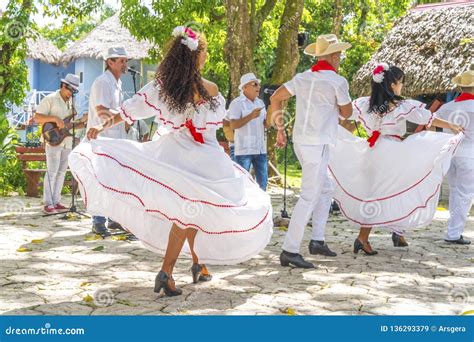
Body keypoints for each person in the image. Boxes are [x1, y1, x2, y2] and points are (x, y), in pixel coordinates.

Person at [69, 26, 273, 296]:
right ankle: (166, 272)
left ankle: (197, 264)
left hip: (174, 153)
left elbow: (128, 112)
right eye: (205, 53)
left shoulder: (162, 88)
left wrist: (101, 126)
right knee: (189, 212)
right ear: (197, 57)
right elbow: (216, 128)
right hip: (205, 160)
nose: (207, 57)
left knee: (191, 210)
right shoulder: (210, 89)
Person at [332, 63, 464, 255]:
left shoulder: (364, 104)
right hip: (391, 151)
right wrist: (451, 125)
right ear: (393, 85)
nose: (402, 86)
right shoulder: (402, 106)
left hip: (370, 150)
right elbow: (428, 118)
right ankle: (363, 237)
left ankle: (397, 232)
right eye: (401, 82)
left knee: (380, 191)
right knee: (396, 189)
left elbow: (342, 112)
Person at [271, 34, 353, 268]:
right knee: (309, 195)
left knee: (326, 187)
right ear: (334, 55)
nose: (340, 58)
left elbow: (276, 98)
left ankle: (317, 239)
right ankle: (290, 249)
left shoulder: (303, 78)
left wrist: (280, 128)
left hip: (303, 141)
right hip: (317, 143)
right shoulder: (338, 82)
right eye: (339, 55)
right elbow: (347, 114)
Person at [86, 46, 128, 236]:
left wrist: (126, 118)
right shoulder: (103, 82)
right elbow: (102, 110)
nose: (125, 64)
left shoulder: (117, 83)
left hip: (115, 140)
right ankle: (98, 221)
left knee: (115, 180)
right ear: (110, 62)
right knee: (101, 180)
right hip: (102, 139)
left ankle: (114, 218)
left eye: (125, 60)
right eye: (121, 60)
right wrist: (127, 116)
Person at [34, 74, 84, 213]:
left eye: (74, 91)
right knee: (52, 171)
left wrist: (84, 122)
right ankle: (47, 203)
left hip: (66, 142)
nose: (71, 93)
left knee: (61, 172)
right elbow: (37, 118)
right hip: (52, 141)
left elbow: (69, 125)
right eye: (70, 90)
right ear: (63, 86)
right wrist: (55, 118)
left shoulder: (70, 103)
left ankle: (56, 201)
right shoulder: (50, 99)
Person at [436, 70, 473, 245]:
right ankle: (453, 232)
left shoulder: (446, 108)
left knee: (455, 192)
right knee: (465, 194)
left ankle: (453, 230)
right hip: (469, 155)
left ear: (460, 87)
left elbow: (432, 123)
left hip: (451, 154)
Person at [228, 73, 270, 190]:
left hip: (260, 149)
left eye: (259, 84)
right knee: (243, 184)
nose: (258, 87)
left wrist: (272, 114)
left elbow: (266, 125)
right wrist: (251, 116)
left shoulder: (260, 103)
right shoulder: (236, 103)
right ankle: (244, 207)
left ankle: (262, 207)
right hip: (244, 150)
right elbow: (233, 125)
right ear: (245, 87)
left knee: (263, 184)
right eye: (255, 84)